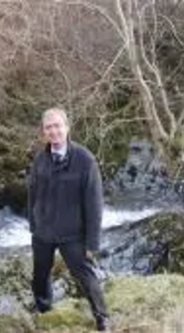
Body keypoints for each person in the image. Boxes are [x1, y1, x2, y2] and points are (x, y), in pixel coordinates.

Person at [28, 108, 110, 331]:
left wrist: (92, 243)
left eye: (57, 126)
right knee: (40, 275)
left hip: (73, 233)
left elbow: (94, 205)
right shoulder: (40, 159)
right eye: (48, 127)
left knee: (85, 275)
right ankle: (44, 309)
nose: (53, 131)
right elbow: (32, 193)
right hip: (43, 231)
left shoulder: (85, 160)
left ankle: (102, 317)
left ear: (67, 127)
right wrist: (32, 223)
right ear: (43, 131)